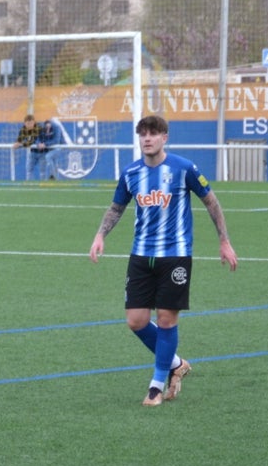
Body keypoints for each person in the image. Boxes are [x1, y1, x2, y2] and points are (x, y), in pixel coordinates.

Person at [89, 115, 238, 407]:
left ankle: (156, 386)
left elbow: (211, 202)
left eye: (153, 133)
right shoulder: (131, 173)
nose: (147, 138)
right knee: (136, 320)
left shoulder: (184, 169)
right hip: (141, 256)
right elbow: (117, 207)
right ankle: (176, 364)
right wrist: (100, 235)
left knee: (167, 319)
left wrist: (224, 241)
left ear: (164, 137)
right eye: (142, 133)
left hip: (176, 256)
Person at [13, 114, 42, 181]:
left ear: (34, 122)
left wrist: (22, 144)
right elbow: (19, 140)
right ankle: (30, 184)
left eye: (31, 123)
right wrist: (17, 143)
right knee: (29, 169)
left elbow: (33, 141)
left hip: (43, 151)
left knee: (42, 171)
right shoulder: (23, 129)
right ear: (24, 123)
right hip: (33, 152)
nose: (29, 125)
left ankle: (43, 186)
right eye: (27, 123)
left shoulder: (38, 128)